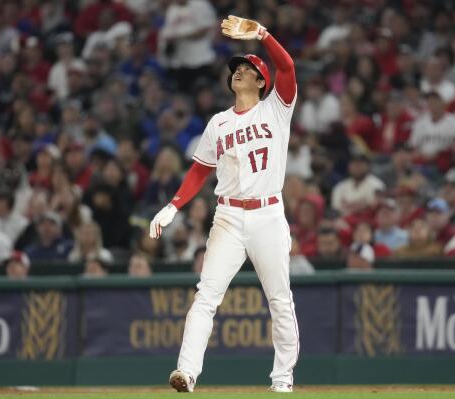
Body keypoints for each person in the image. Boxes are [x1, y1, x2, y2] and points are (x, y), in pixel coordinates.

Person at [149, 15, 299, 393]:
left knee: (279, 300)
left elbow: (287, 65)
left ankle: (282, 380)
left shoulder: (276, 108)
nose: (239, 72)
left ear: (261, 81)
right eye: (237, 68)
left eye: (247, 69)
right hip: (229, 216)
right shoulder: (219, 122)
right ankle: (186, 373)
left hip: (267, 213)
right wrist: (173, 205)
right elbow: (200, 171)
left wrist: (263, 33)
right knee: (206, 296)